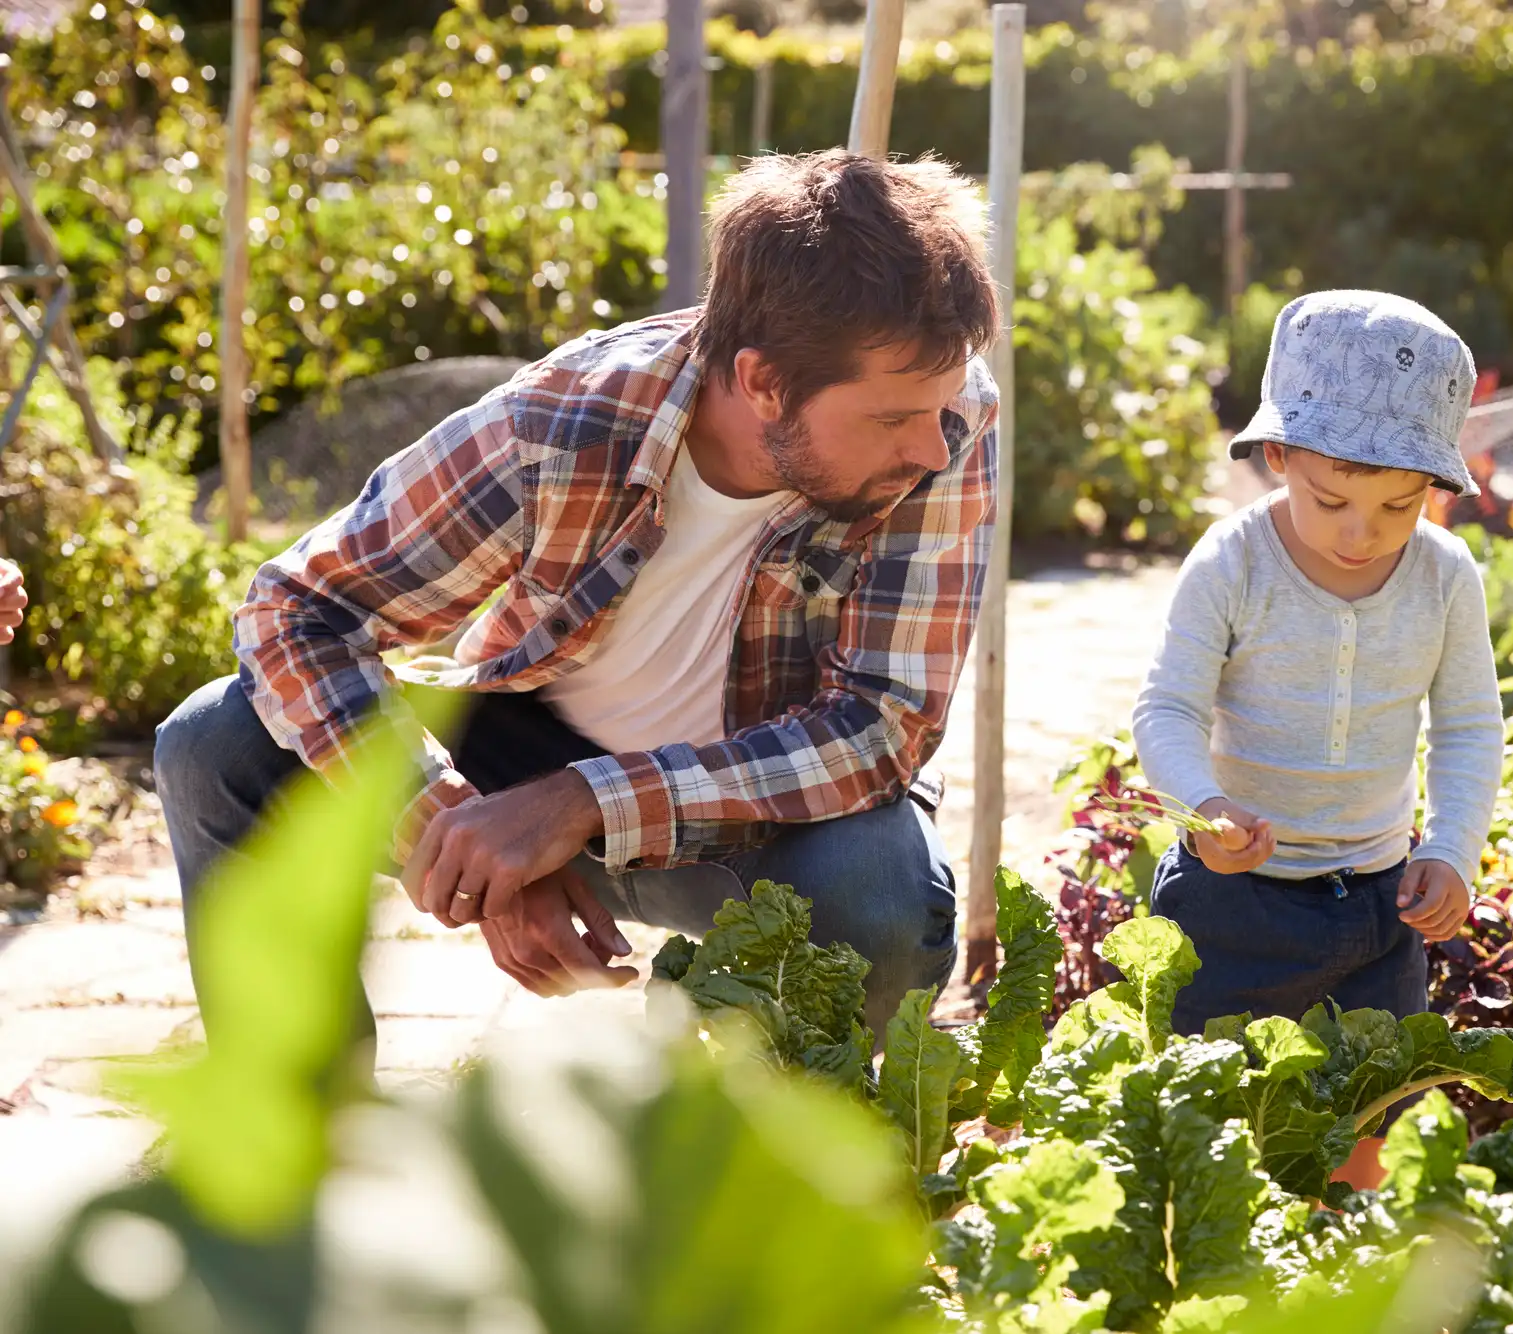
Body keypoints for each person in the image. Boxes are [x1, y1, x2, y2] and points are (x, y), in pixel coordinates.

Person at [154, 150, 1000, 1038]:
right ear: (761, 382)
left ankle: (769, 1135)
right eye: (894, 418)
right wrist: (459, 836)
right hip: (525, 751)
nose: (933, 448)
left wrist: (581, 802)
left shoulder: (945, 414)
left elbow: (880, 722)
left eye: (938, 408)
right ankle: (290, 1137)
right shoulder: (560, 428)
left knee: (880, 894)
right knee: (215, 743)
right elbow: (298, 611)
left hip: (766, 820)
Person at [1131, 290, 1504, 1181]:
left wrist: (1451, 849)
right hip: (1235, 899)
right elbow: (1168, 709)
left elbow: (1466, 727)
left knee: (1364, 1117)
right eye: (1331, 497)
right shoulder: (1232, 562)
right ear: (1277, 456)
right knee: (1216, 1124)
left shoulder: (1446, 578)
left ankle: (1339, 1273)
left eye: (1398, 506)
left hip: (1380, 902)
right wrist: (1206, 807)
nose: (1359, 533)